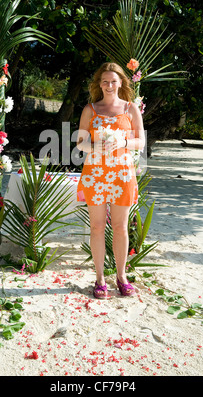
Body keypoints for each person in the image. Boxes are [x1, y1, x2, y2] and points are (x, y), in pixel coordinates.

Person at [76, 62, 145, 299]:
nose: (109, 85)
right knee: (96, 227)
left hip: (122, 175)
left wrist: (123, 143)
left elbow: (140, 142)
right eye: (104, 81)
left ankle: (121, 276)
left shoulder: (130, 109)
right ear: (99, 84)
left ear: (121, 83)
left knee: (120, 227)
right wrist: (97, 145)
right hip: (95, 174)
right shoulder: (90, 110)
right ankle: (99, 279)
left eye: (113, 81)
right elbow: (81, 144)